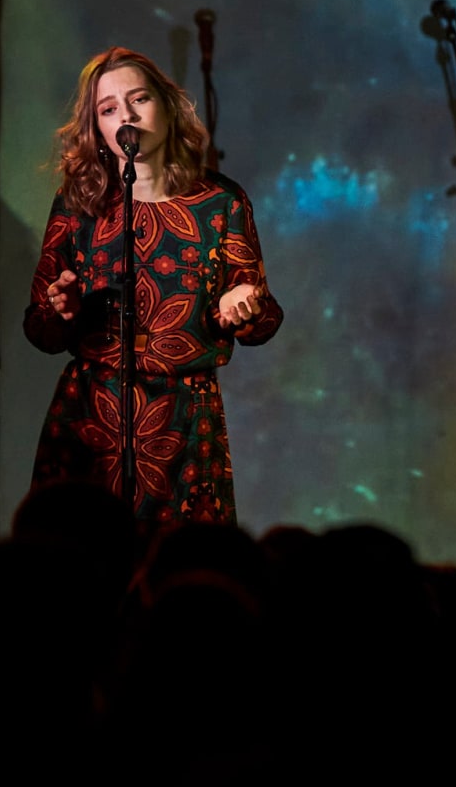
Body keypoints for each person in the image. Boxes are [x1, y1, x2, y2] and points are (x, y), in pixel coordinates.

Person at [23, 46, 283, 536]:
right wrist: (64, 311)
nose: (126, 116)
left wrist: (243, 307)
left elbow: (264, 319)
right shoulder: (78, 203)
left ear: (166, 105)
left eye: (139, 99)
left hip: (184, 420)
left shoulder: (220, 202)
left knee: (180, 563)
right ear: (97, 128)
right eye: (108, 108)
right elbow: (39, 327)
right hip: (92, 414)